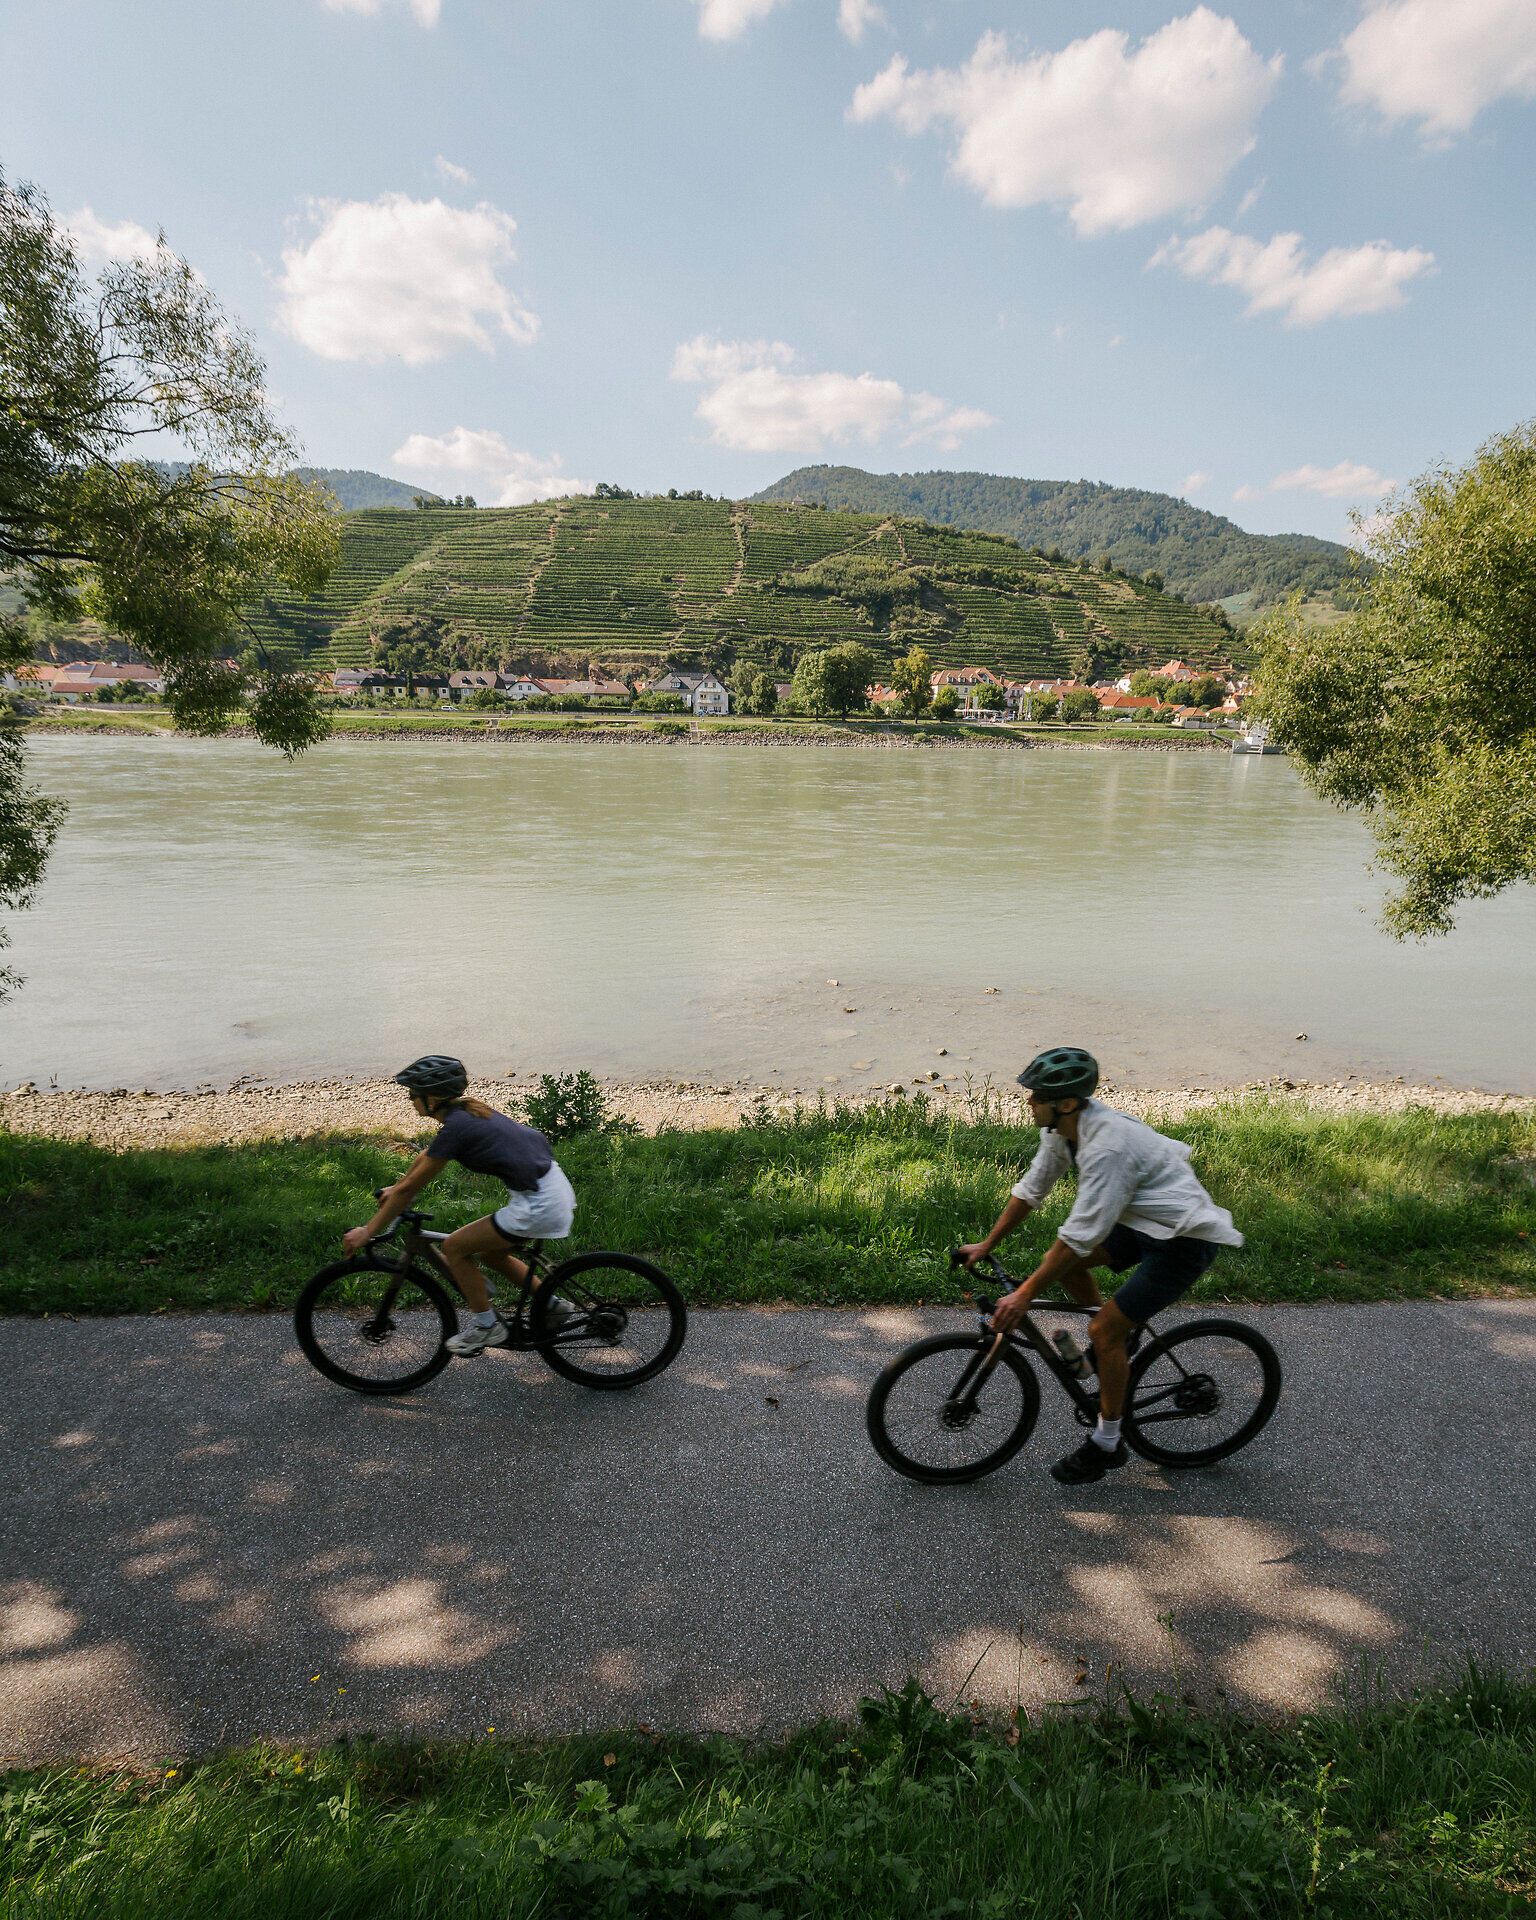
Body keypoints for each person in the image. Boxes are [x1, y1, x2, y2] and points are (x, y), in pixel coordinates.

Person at [957, 1046, 1243, 1486]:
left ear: (1066, 1103)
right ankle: (1115, 1344)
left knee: (1101, 1328)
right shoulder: (1062, 1130)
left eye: (1036, 1095)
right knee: (1067, 1273)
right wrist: (988, 1243)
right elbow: (1032, 1189)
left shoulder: (1107, 1147)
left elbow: (1076, 1237)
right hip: (1142, 1222)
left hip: (1183, 1238)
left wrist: (1023, 1295)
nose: (1028, 1102)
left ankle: (1108, 1442)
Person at [341, 1055, 576, 1356]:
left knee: (454, 1247)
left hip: (538, 1202)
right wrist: (398, 1188)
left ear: (432, 1097)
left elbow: (412, 1187)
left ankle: (487, 1325)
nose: (410, 1098)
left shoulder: (458, 1126)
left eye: (414, 1092)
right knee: (493, 1256)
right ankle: (553, 1305)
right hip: (548, 1187)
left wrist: (368, 1231)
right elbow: (425, 1159)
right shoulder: (466, 1112)